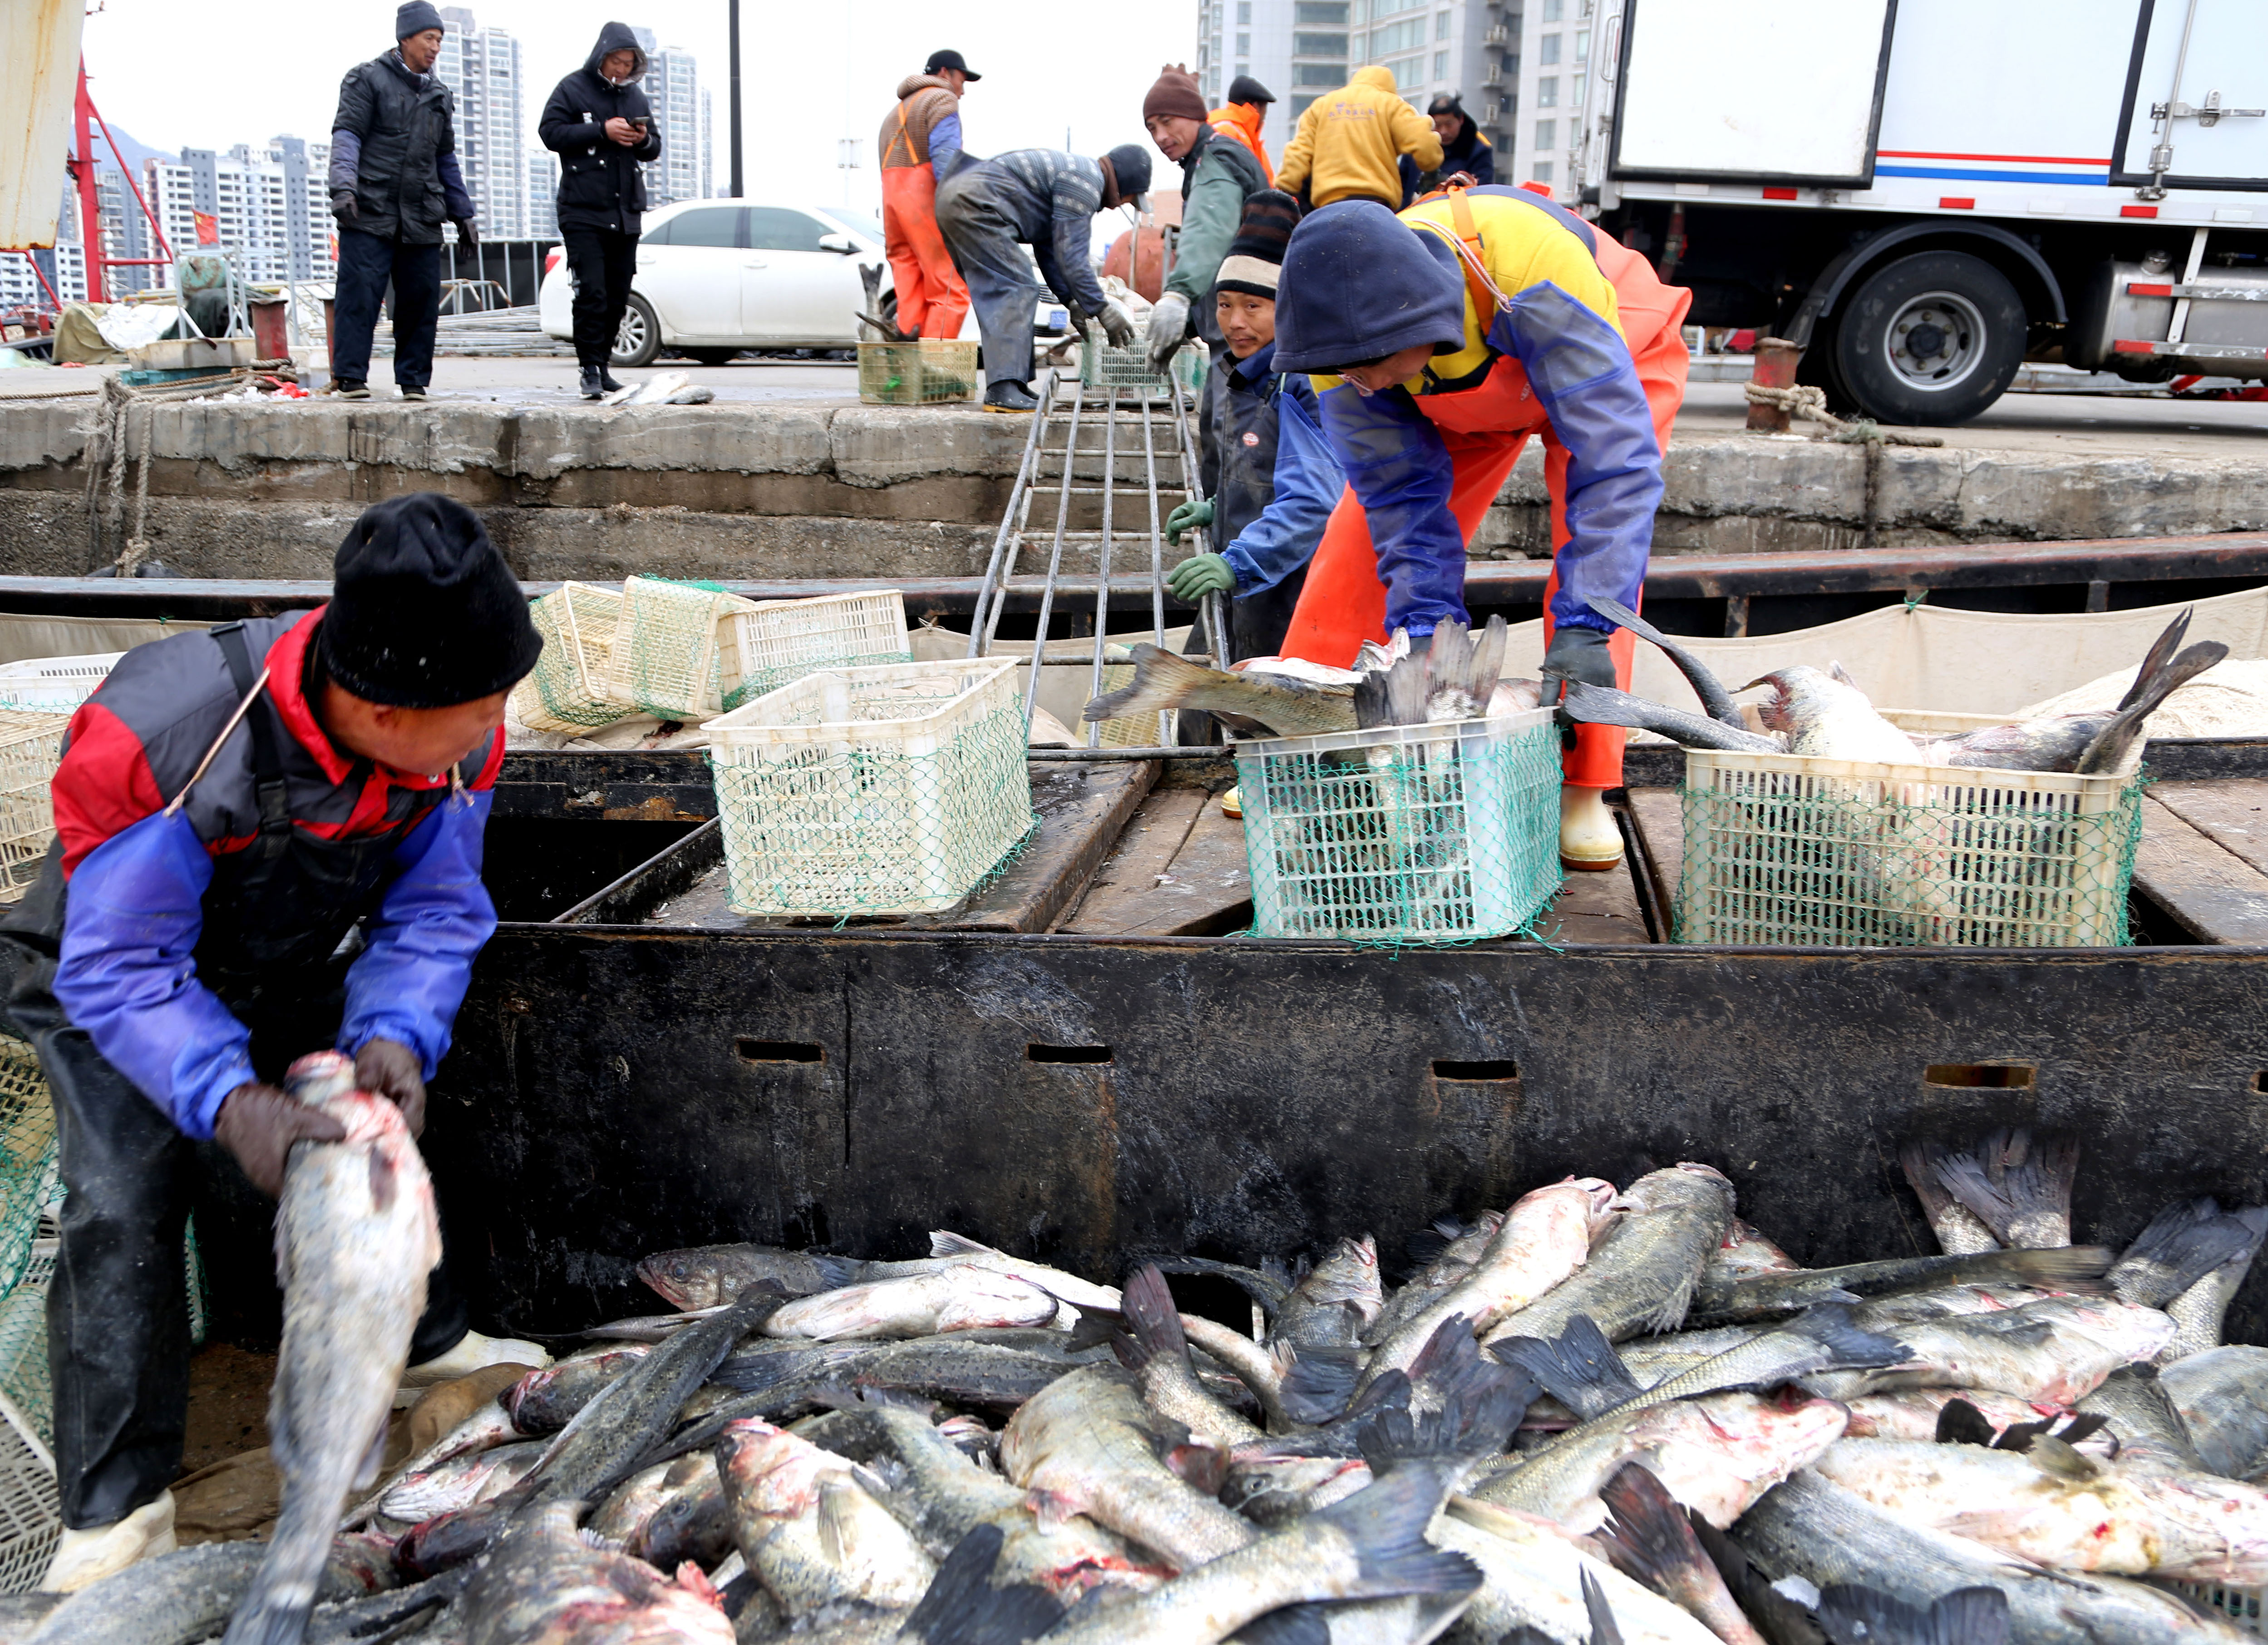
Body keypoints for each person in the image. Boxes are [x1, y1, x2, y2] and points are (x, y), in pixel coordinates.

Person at [5, 494, 552, 1590]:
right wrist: (223, 1096)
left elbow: (435, 911)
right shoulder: (168, 737)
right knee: (124, 1196)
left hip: (280, 952)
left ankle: (421, 1342)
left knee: (368, 1126)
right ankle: (113, 1509)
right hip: (107, 973)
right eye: (485, 701)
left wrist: (394, 1029)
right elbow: (122, 968)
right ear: (384, 711)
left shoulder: (453, 745)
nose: (499, 720)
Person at [1268, 186, 1692, 870]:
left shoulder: (1536, 270)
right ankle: (1312, 744)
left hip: (1611, 347)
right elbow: (1401, 496)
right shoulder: (1341, 354)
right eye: (1342, 371)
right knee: (1353, 547)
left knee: (1607, 574)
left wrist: (1586, 624)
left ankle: (1582, 785)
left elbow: (1612, 471)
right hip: (1447, 389)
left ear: (1416, 327)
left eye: (1362, 368)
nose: (1353, 382)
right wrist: (1430, 625)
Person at [1164, 191, 1341, 666]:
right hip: (1246, 584)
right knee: (1203, 707)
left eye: (1253, 307)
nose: (1235, 322)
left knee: (1269, 718)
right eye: (1224, 305)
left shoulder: (1303, 381)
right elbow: (1264, 471)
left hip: (1291, 592)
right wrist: (1220, 508)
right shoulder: (1236, 374)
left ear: (1286, 308)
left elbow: (1314, 500)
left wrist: (1235, 562)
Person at [326, 2, 479, 402]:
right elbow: (347, 136)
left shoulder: (439, 95)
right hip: (370, 209)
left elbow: (445, 157)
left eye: (440, 40)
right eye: (430, 38)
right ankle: (351, 377)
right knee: (359, 294)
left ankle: (413, 380)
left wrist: (463, 214)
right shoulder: (367, 79)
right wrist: (343, 188)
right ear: (406, 38)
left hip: (421, 214)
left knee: (420, 300)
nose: (436, 47)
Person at [936, 147, 1148, 413]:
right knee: (1015, 287)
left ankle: (1014, 385)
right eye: (1129, 199)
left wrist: (1073, 301)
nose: (1122, 205)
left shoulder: (1075, 174)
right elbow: (1073, 257)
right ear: (1124, 185)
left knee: (1014, 285)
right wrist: (1102, 309)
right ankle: (1003, 390)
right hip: (976, 201)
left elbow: (1051, 252)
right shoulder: (1086, 182)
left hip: (957, 196)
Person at [539, 23, 665, 400]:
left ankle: (604, 366)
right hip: (583, 210)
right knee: (591, 291)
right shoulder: (572, 88)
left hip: (625, 211)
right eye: (617, 61)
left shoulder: (636, 98)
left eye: (629, 64)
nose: (622, 70)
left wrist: (642, 139)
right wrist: (600, 131)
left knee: (617, 292)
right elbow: (550, 132)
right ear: (602, 56)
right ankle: (589, 368)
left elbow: (654, 146)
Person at [1141, 64, 1268, 374]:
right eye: (1152, 129)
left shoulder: (1215, 159)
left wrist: (1179, 294)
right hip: (1239, 322)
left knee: (1235, 413)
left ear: (1194, 115)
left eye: (1167, 122)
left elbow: (1208, 229)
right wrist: (1188, 323)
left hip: (1243, 327)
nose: (1161, 137)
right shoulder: (1206, 158)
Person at [878, 50, 977, 343]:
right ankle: (934, 373)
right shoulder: (941, 99)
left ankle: (904, 372)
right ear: (945, 73)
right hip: (922, 201)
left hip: (893, 204)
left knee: (911, 288)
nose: (963, 90)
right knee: (951, 288)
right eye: (963, 79)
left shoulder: (895, 112)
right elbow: (946, 161)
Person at [1273, 65, 1442, 212]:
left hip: (1328, 204)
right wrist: (1431, 165)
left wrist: (1287, 186)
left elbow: (1299, 152)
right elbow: (1424, 142)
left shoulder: (1322, 105)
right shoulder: (1391, 104)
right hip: (1376, 202)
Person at [1400, 94, 1495, 203]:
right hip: (1411, 213)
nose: (1444, 131)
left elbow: (1482, 193)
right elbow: (1401, 184)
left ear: (1461, 120)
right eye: (1438, 125)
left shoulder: (1479, 149)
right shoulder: (1417, 143)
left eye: (1449, 125)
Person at [1207, 74, 1277, 187]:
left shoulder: (1244, 136)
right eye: (1265, 109)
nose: (1265, 116)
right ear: (1255, 106)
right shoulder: (1227, 131)